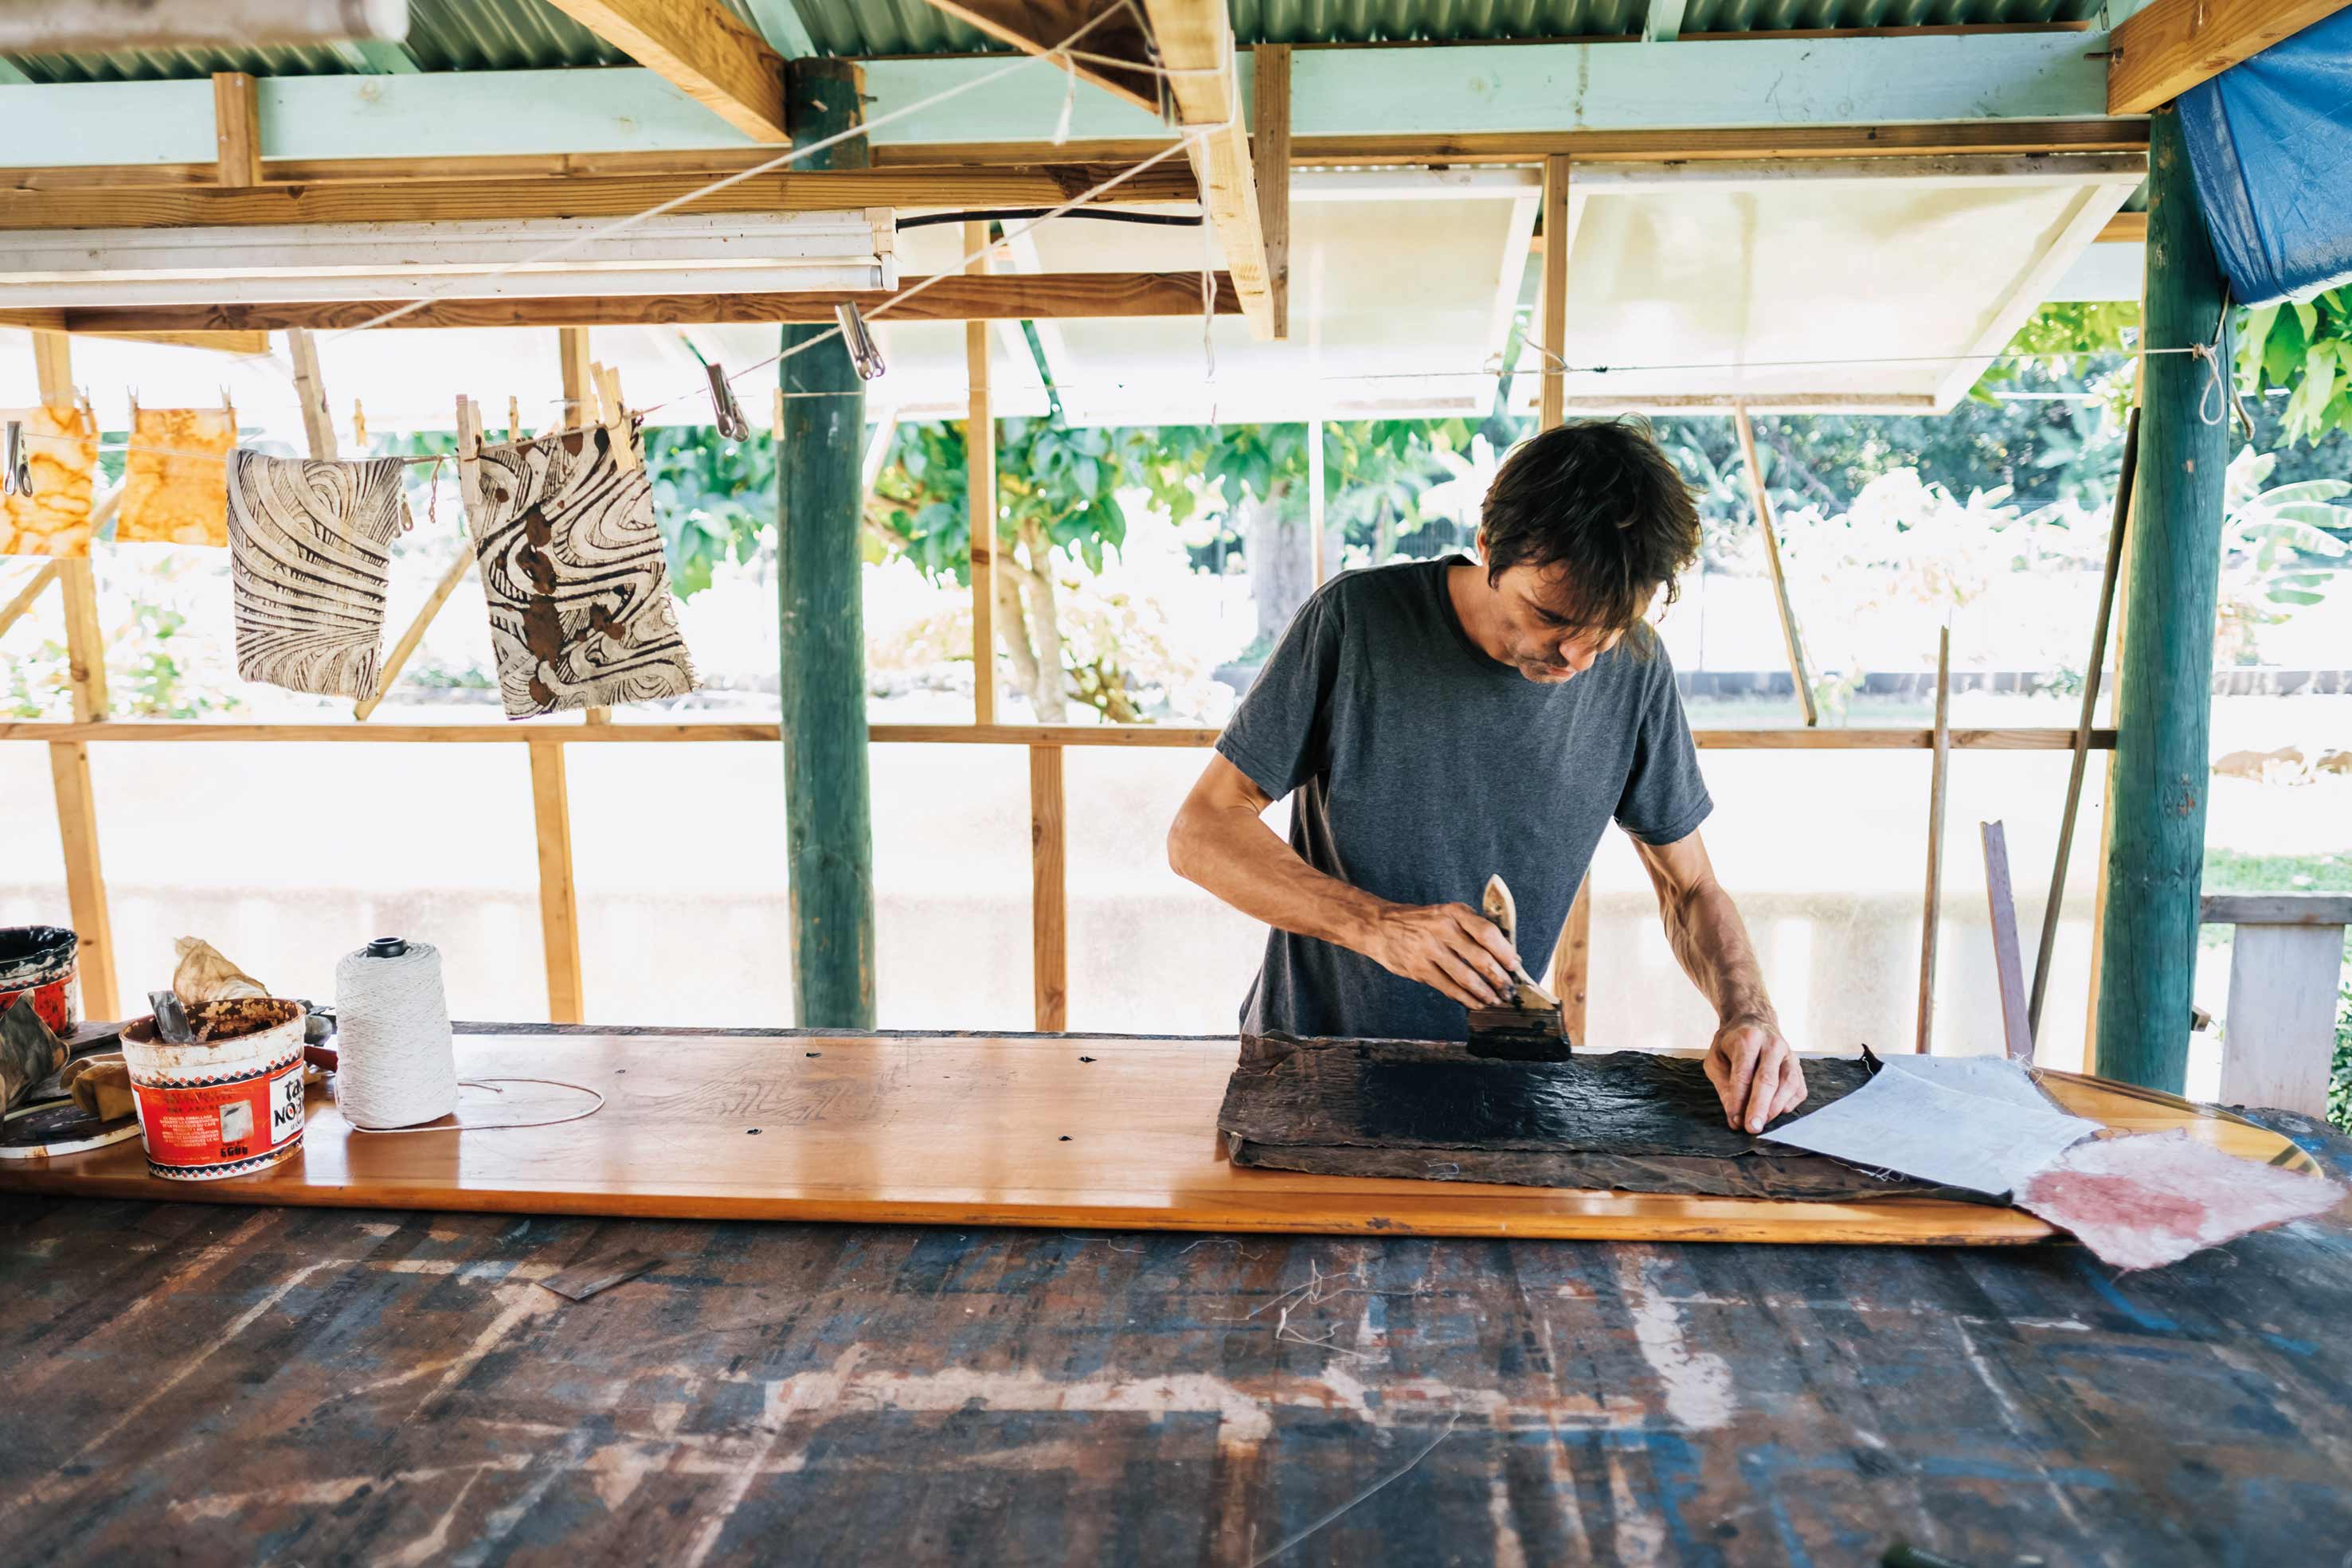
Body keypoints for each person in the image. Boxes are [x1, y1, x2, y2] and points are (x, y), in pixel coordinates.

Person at [1165, 417, 1803, 1134]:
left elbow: (1689, 886)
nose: (1574, 658)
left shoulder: (1637, 670)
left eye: (1607, 629)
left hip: (1502, 1085)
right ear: (1488, 547)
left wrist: (1748, 1011)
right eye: (1550, 615)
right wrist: (1379, 926)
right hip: (1311, 1068)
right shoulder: (1357, 622)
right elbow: (1201, 831)